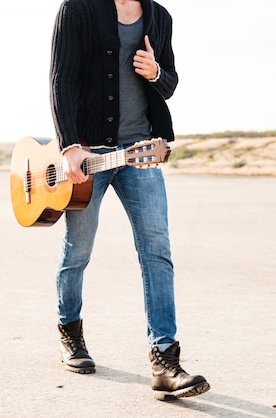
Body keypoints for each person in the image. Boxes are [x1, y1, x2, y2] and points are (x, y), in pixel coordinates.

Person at [49, 0, 210, 399]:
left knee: (157, 251)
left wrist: (155, 72)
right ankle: (71, 332)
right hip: (87, 152)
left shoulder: (160, 17)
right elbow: (61, 80)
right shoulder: (78, 10)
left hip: (140, 152)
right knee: (78, 250)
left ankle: (165, 360)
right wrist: (70, 146)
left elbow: (169, 84)